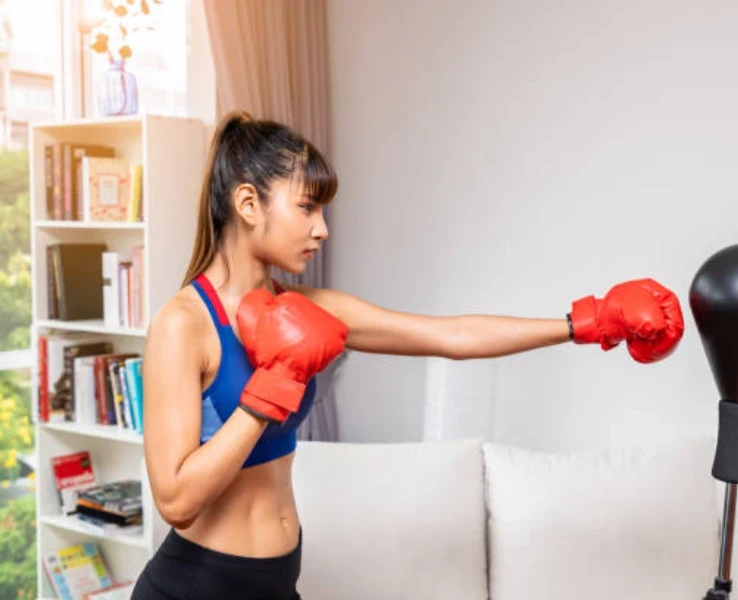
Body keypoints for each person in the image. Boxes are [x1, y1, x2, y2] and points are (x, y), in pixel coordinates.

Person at [130, 110, 685, 600]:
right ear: (248, 203)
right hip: (199, 584)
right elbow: (176, 500)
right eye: (307, 208)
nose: (321, 230)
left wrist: (585, 323)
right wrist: (270, 388)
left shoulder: (304, 307)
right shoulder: (183, 325)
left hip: (278, 581)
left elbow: (450, 336)